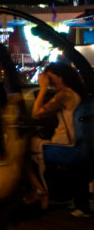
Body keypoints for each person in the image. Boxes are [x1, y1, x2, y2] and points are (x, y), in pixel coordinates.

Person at [27, 61, 85, 207]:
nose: (50, 82)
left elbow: (36, 114)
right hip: (80, 140)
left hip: (66, 143)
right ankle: (45, 190)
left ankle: (41, 191)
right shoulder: (78, 92)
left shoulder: (65, 94)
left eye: (50, 79)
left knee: (24, 149)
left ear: (61, 77)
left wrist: (43, 89)